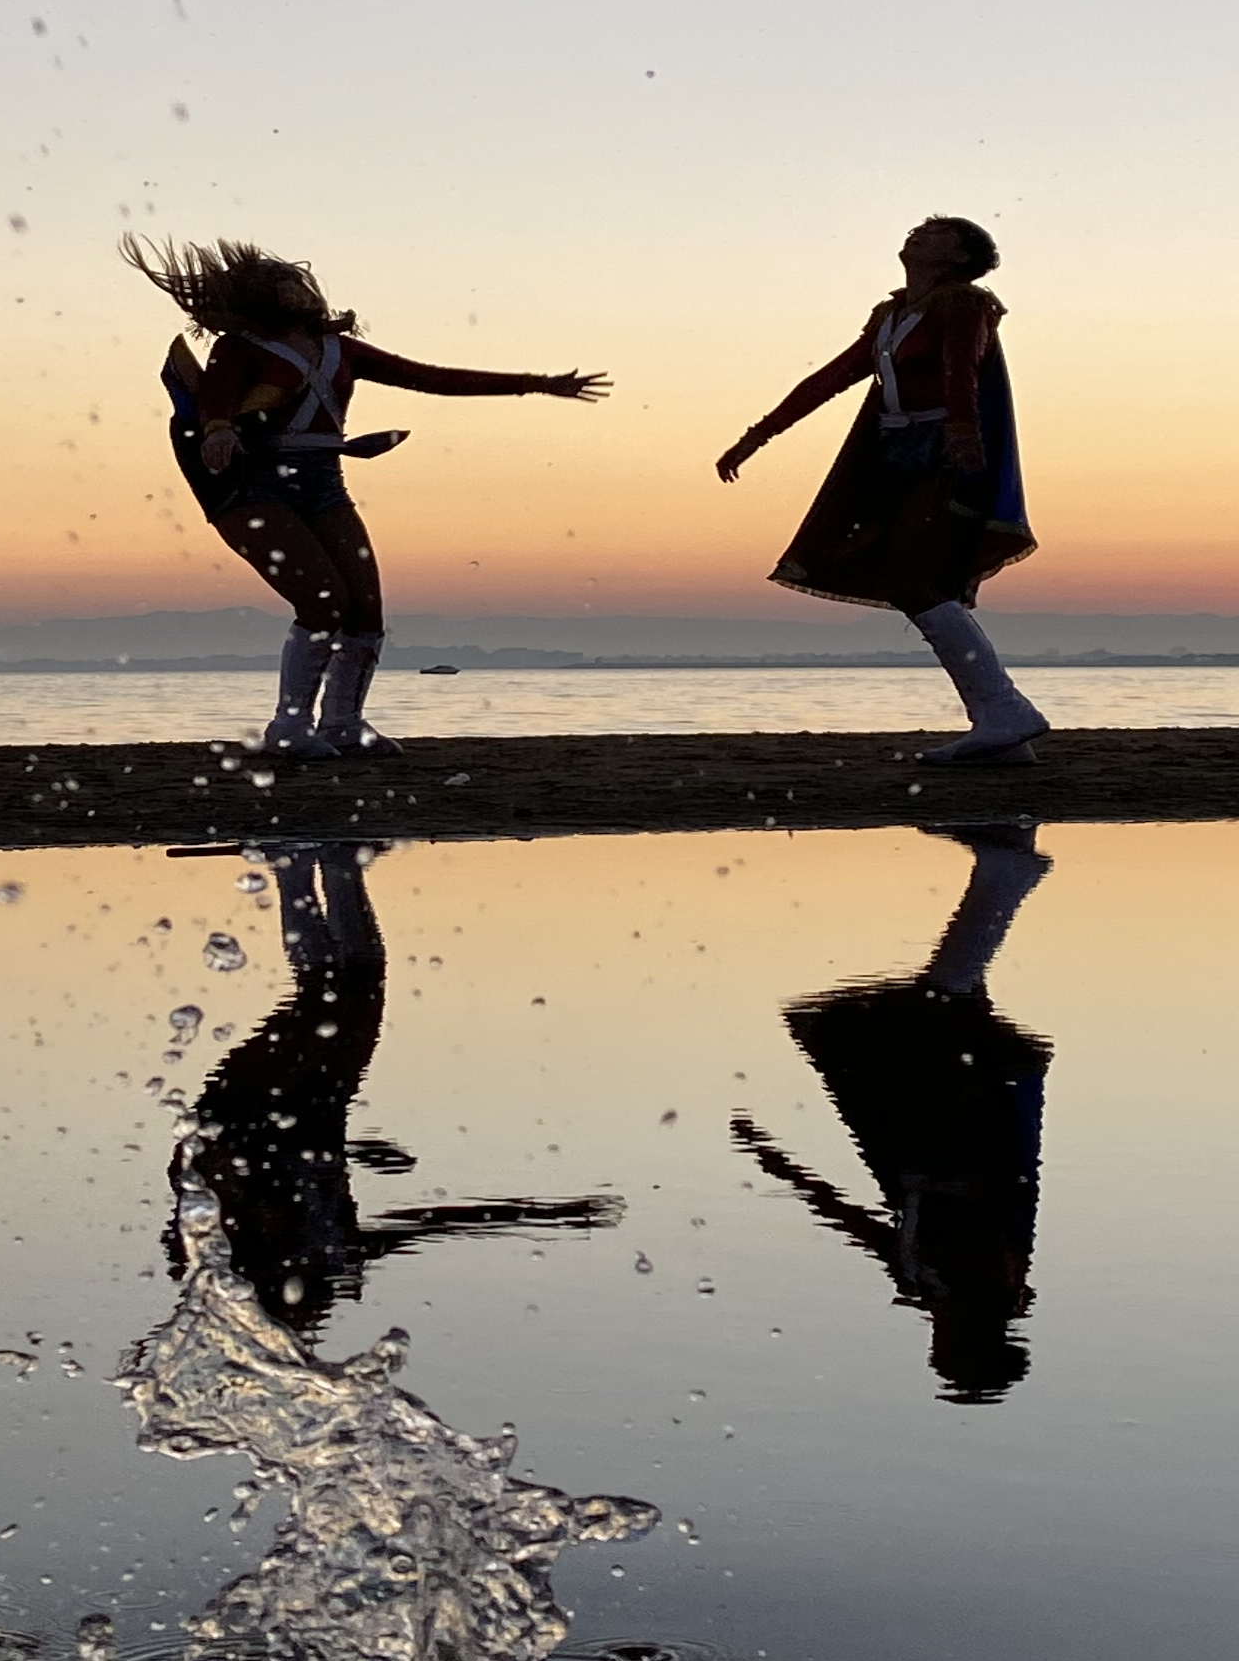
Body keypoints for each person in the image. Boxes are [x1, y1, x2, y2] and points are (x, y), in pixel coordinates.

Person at [123, 236, 607, 759]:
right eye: (279, 283)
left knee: (366, 609)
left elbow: (430, 378)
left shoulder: (340, 349)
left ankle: (343, 724)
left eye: (295, 280)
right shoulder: (238, 347)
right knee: (322, 600)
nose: (294, 288)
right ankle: (288, 728)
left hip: (324, 483)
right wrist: (218, 429)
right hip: (253, 486)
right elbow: (216, 400)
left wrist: (534, 384)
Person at [175, 842, 619, 1337]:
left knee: (345, 989)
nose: (320, 1315)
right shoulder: (329, 1255)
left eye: (307, 1317)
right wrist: (543, 1215)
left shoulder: (229, 1245)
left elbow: (213, 1163)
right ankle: (321, 866)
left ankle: (310, 867)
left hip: (252, 1107)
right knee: (343, 988)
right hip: (307, 1101)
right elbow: (432, 1224)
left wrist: (331, 1149)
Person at [730, 825, 1055, 1404]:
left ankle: (1003, 871)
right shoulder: (988, 1285)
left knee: (941, 1008)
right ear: (972, 1342)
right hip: (957, 1133)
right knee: (933, 1013)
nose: (935, 1349)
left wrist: (784, 1170)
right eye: (947, 1357)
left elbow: (861, 1227)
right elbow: (984, 1205)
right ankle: (1005, 876)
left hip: (912, 1143)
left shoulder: (933, 1289)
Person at [716, 214, 1046, 764]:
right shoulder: (892, 316)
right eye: (920, 227)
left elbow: (961, 372)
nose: (919, 233)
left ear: (962, 257)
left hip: (944, 455)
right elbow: (831, 378)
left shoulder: (964, 304)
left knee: (913, 578)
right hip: (895, 457)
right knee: (905, 578)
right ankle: (1002, 728)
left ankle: (1004, 710)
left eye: (939, 232)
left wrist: (964, 447)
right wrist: (757, 437)